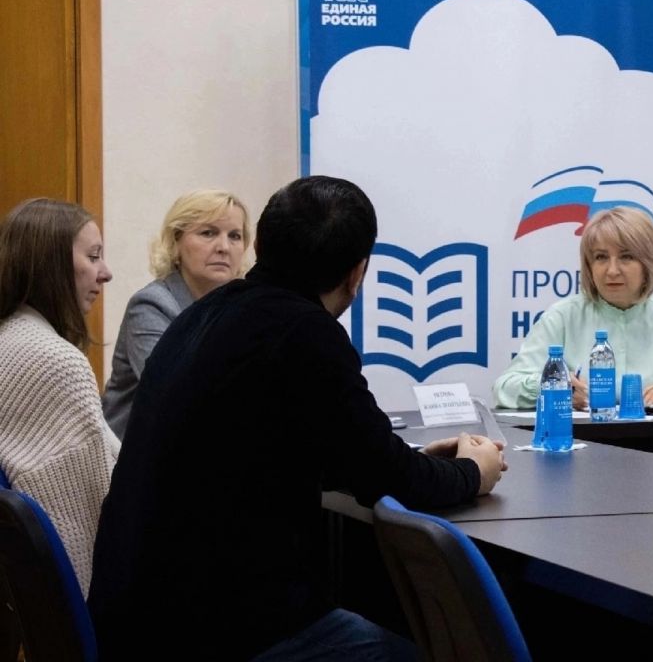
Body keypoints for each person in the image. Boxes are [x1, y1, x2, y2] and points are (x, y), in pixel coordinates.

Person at [88, 176, 506, 661]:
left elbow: (272, 449)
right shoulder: (305, 333)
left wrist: (412, 459)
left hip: (135, 621)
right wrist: (473, 471)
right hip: (216, 632)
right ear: (357, 273)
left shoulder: (201, 316)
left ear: (258, 246)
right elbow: (389, 478)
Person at [494, 206, 653, 410]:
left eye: (626, 257)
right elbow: (505, 388)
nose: (612, 270)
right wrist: (554, 386)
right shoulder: (563, 317)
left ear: (648, 263)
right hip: (581, 446)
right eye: (601, 257)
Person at [0, 199, 119, 593]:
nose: (106, 273)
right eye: (93, 256)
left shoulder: (10, 338)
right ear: (50, 264)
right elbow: (90, 523)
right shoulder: (53, 361)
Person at [103, 189, 251, 439]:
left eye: (234, 236)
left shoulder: (241, 307)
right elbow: (174, 395)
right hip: (136, 454)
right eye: (208, 233)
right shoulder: (151, 304)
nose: (224, 247)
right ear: (176, 242)